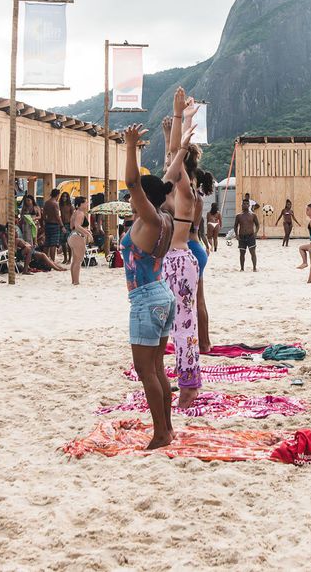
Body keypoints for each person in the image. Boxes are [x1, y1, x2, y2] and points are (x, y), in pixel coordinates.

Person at [122, 122, 177, 450]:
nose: (132, 196)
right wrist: (174, 135)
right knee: (156, 367)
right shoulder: (165, 217)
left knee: (146, 370)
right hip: (161, 293)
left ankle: (160, 433)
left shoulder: (151, 219)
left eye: (137, 194)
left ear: (145, 198)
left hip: (146, 299)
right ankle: (166, 429)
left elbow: (132, 181)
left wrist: (130, 147)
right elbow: (169, 178)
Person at [163, 89, 203, 408]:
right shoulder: (175, 189)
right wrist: (177, 123)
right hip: (169, 261)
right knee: (175, 325)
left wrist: (180, 118)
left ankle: (189, 386)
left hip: (180, 260)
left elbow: (175, 154)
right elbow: (172, 154)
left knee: (185, 324)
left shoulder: (186, 193)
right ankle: (184, 379)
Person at [190, 168, 215, 354]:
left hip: (192, 247)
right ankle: (204, 341)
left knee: (197, 301)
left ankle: (204, 342)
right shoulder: (197, 197)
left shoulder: (193, 198)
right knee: (200, 300)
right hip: (195, 247)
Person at [67, 196, 94, 285]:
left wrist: (86, 230)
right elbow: (77, 226)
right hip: (77, 237)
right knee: (78, 261)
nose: (87, 204)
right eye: (85, 202)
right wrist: (88, 233)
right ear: (80, 204)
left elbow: (72, 227)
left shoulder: (75, 212)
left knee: (75, 261)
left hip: (72, 236)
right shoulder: (80, 213)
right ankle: (76, 281)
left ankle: (73, 281)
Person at [234, 199, 259, 271]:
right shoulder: (238, 216)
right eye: (244, 204)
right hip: (242, 237)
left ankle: (254, 268)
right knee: (242, 253)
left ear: (249, 205)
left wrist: (255, 233)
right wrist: (237, 235)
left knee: (253, 252)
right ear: (241, 205)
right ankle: (242, 268)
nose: (245, 205)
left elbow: (257, 225)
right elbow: (235, 226)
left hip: (251, 236)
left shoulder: (253, 215)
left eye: (246, 204)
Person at [42, 189, 64, 261]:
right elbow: (57, 216)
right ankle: (52, 260)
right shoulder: (55, 204)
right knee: (53, 244)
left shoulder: (46, 203)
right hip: (54, 225)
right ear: (57, 195)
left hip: (48, 224)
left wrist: (45, 222)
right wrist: (62, 226)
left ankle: (45, 260)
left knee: (47, 243)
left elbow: (44, 215)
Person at [59, 191, 74, 264]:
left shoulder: (70, 206)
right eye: (63, 196)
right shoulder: (60, 206)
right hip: (62, 225)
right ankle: (65, 258)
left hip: (68, 225)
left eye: (66, 196)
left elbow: (73, 217)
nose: (64, 198)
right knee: (63, 242)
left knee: (69, 243)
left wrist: (72, 226)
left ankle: (69, 259)